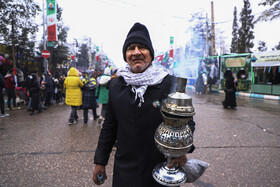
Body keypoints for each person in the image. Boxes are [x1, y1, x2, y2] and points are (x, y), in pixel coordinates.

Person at [92, 22, 195, 187]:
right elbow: (109, 127)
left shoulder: (168, 83)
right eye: (131, 48)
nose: (136, 52)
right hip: (125, 169)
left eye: (142, 47)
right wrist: (100, 162)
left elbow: (186, 121)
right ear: (125, 54)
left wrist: (181, 151)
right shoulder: (116, 85)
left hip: (161, 167)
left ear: (151, 54)